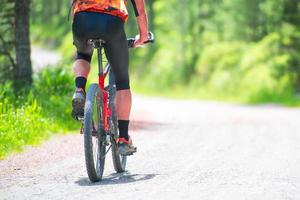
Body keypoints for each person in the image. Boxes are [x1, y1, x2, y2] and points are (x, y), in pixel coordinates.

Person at [70, 0, 149, 155]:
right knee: (122, 82)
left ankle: (79, 89)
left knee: (83, 55)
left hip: (82, 19)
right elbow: (139, 7)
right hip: (111, 21)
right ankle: (123, 139)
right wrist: (143, 36)